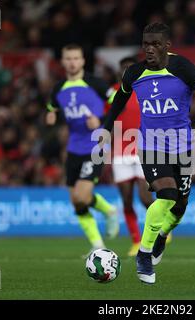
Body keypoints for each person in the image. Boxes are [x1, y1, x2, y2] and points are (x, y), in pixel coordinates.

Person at [102, 23, 195, 284]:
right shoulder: (133, 73)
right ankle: (144, 255)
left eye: (155, 44)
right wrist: (105, 129)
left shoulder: (183, 68)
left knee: (179, 209)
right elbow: (118, 103)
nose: (150, 49)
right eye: (146, 44)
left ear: (167, 45)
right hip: (151, 144)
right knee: (166, 195)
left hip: (183, 146)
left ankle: (161, 237)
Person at [46, 44, 119, 256]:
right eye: (68, 58)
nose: (72, 62)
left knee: (81, 195)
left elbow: (118, 101)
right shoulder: (58, 88)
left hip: (96, 145)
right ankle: (98, 245)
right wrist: (51, 115)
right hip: (73, 148)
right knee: (77, 201)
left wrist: (102, 119)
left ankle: (109, 211)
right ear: (62, 62)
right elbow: (51, 107)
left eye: (76, 58)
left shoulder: (95, 83)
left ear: (83, 61)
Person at [107, 56, 155, 257]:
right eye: (122, 69)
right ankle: (136, 241)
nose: (125, 72)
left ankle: (159, 228)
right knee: (126, 200)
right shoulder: (112, 93)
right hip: (120, 153)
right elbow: (108, 121)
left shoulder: (147, 89)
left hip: (142, 150)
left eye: (129, 68)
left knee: (145, 196)